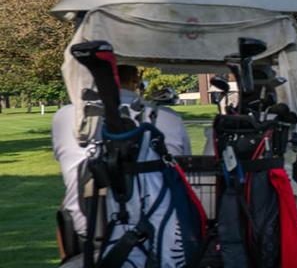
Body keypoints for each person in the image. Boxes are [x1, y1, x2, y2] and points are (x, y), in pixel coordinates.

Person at [52, 65, 192, 247]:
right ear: (135, 80)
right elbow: (183, 170)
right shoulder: (168, 117)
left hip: (90, 228)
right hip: (160, 228)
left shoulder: (65, 117)